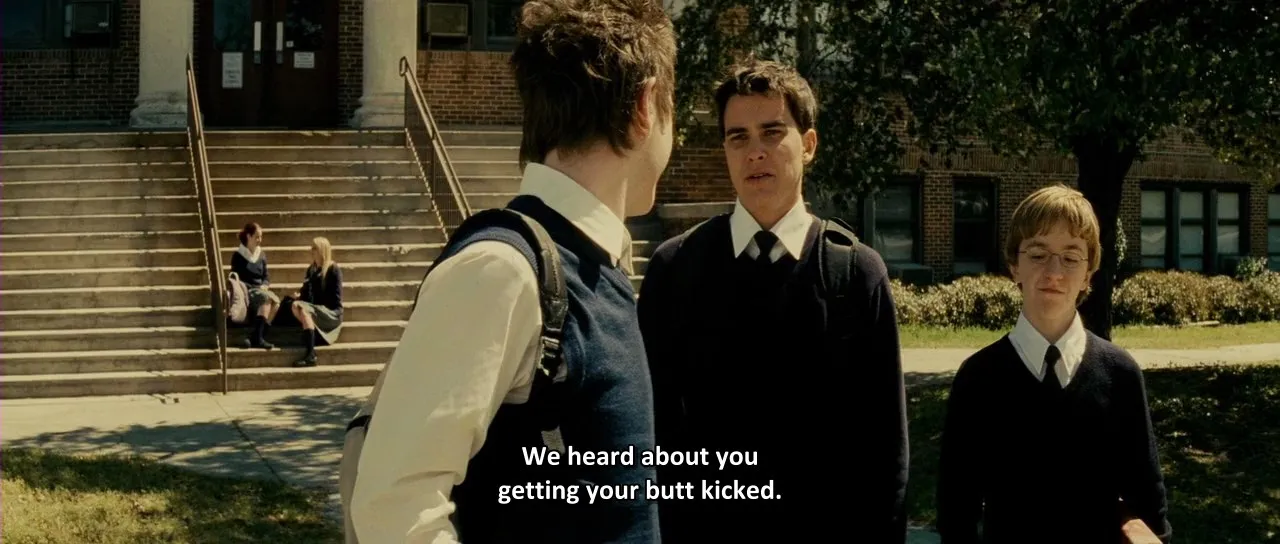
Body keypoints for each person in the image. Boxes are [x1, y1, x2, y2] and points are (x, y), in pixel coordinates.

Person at [347, 0, 677, 542]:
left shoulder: (598, 263)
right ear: (645, 106)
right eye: (672, 108)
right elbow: (393, 507)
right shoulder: (501, 269)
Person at [637, 59, 909, 543]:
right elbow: (650, 437)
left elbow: (885, 453)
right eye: (737, 137)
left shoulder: (854, 275)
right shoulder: (675, 269)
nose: (754, 152)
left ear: (809, 145)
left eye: (771, 132)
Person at [935, 184, 1172, 544]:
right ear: (1014, 265)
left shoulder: (1120, 374)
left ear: (1089, 274)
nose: (1054, 272)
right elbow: (956, 512)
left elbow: (1150, 508)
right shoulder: (978, 378)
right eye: (1038, 254)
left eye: (1071, 258)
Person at [289, 236, 343, 367]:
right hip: (316, 309)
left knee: (302, 308)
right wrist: (299, 295)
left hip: (331, 312)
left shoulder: (333, 269)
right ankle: (315, 335)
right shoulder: (311, 269)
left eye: (314, 248)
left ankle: (311, 354)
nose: (311, 251)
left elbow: (336, 299)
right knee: (295, 305)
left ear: (322, 250)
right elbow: (306, 294)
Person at [230, 222, 280, 349]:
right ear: (249, 236)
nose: (260, 240)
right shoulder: (238, 255)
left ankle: (257, 336)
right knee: (266, 299)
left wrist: (265, 285)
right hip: (247, 291)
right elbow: (236, 279)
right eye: (257, 237)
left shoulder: (261, 255)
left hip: (261, 289)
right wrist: (253, 288)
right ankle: (258, 337)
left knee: (276, 303)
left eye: (261, 237)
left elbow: (266, 276)